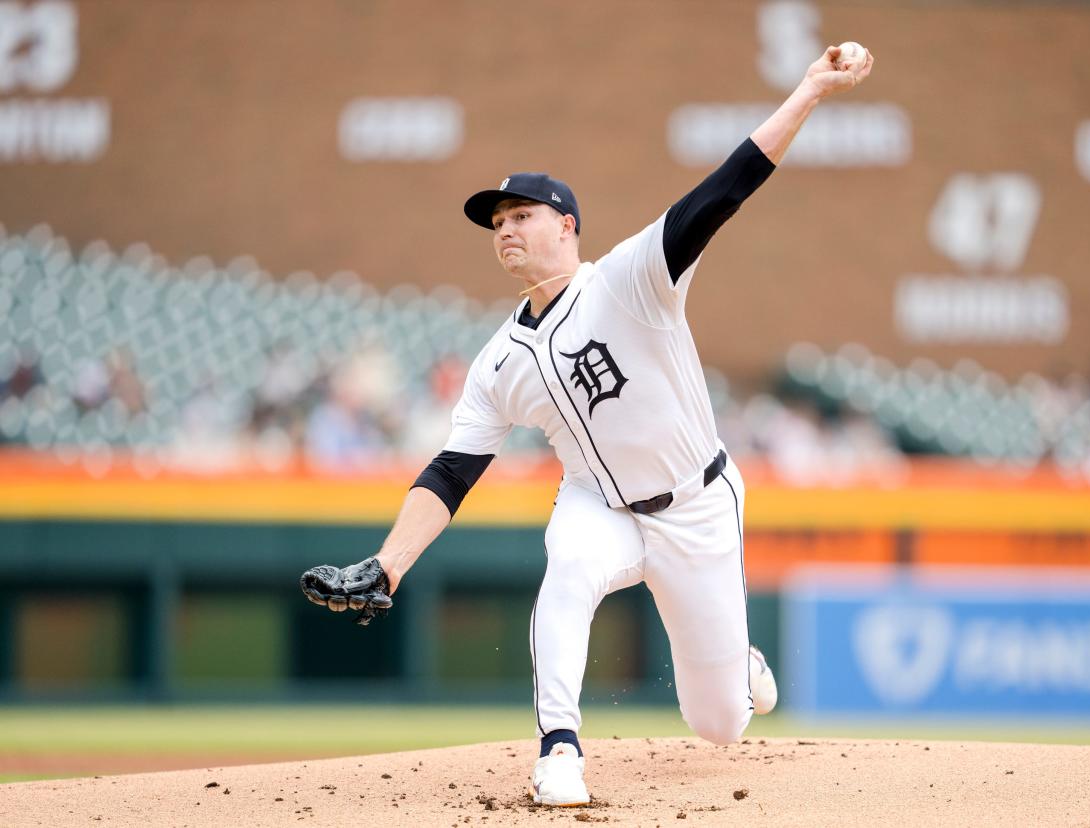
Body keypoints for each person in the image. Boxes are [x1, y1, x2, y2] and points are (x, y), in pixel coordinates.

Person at [301, 42, 874, 807]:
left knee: (720, 725)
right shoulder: (499, 361)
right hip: (597, 504)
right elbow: (450, 473)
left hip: (695, 505)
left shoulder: (634, 277)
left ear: (566, 226)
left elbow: (727, 187)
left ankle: (736, 663)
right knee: (566, 568)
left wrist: (809, 88)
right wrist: (390, 562)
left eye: (521, 215)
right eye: (496, 220)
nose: (505, 228)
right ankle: (559, 752)